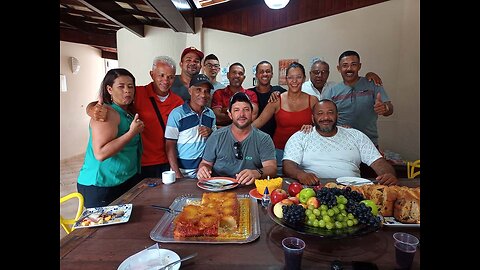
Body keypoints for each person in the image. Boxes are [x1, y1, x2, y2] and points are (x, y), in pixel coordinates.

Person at [86, 56, 184, 179]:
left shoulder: (178, 102)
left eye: (170, 77)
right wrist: (91, 109)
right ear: (152, 74)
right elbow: (103, 104)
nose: (165, 80)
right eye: (161, 75)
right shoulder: (136, 93)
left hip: (165, 161)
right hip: (138, 163)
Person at [282, 99, 398, 186]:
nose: (325, 117)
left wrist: (388, 175)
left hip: (352, 190)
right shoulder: (300, 137)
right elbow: (288, 165)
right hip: (314, 190)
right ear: (313, 118)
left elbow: (378, 162)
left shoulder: (356, 135)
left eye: (330, 112)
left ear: (337, 115)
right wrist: (300, 174)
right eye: (320, 113)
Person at [77, 68, 144, 208]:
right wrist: (131, 133)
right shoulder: (105, 113)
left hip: (121, 179)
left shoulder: (125, 111)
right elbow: (100, 153)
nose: (127, 90)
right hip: (101, 184)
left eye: (130, 86)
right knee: (105, 229)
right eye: (121, 86)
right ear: (109, 89)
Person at [197, 92, 277, 185]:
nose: (241, 114)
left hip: (249, 187)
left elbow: (271, 168)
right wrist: (203, 169)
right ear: (230, 114)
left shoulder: (263, 138)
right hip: (219, 187)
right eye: (236, 110)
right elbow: (206, 163)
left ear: (252, 113)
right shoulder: (216, 136)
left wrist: (256, 173)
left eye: (246, 109)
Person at [252, 62, 318, 173]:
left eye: (298, 77)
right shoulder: (277, 99)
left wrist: (313, 127)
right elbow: (258, 122)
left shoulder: (313, 100)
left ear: (304, 79)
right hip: (279, 152)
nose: (294, 81)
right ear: (286, 79)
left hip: (306, 153)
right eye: (291, 77)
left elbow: (323, 126)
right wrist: (235, 130)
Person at [322, 50, 394, 147]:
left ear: (359, 66)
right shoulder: (332, 92)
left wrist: (385, 108)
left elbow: (390, 109)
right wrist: (338, 128)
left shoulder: (373, 84)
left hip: (369, 143)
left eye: (353, 64)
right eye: (345, 65)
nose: (349, 69)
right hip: (341, 143)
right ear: (339, 68)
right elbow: (325, 118)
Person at [165, 74, 216, 178]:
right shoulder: (177, 114)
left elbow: (214, 142)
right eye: (198, 90)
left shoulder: (210, 114)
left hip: (204, 173)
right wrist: (177, 174)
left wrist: (210, 132)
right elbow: (170, 146)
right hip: (182, 173)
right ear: (190, 91)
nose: (203, 95)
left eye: (206, 91)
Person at [302, 59, 383, 100]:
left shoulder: (334, 88)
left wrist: (370, 74)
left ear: (328, 74)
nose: (319, 75)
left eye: (324, 72)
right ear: (310, 73)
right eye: (316, 72)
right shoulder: (302, 89)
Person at [211, 62, 259, 127]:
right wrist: (241, 117)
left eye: (240, 73)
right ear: (228, 75)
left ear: (244, 77)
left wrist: (225, 110)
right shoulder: (218, 93)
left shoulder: (251, 95)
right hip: (222, 134)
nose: (237, 76)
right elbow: (217, 117)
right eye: (234, 72)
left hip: (244, 134)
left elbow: (251, 117)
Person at [249, 60, 286, 138]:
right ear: (256, 75)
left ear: (272, 74)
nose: (265, 74)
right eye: (261, 72)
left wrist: (279, 94)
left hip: (275, 140)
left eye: (268, 71)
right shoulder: (249, 93)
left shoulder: (279, 91)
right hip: (252, 137)